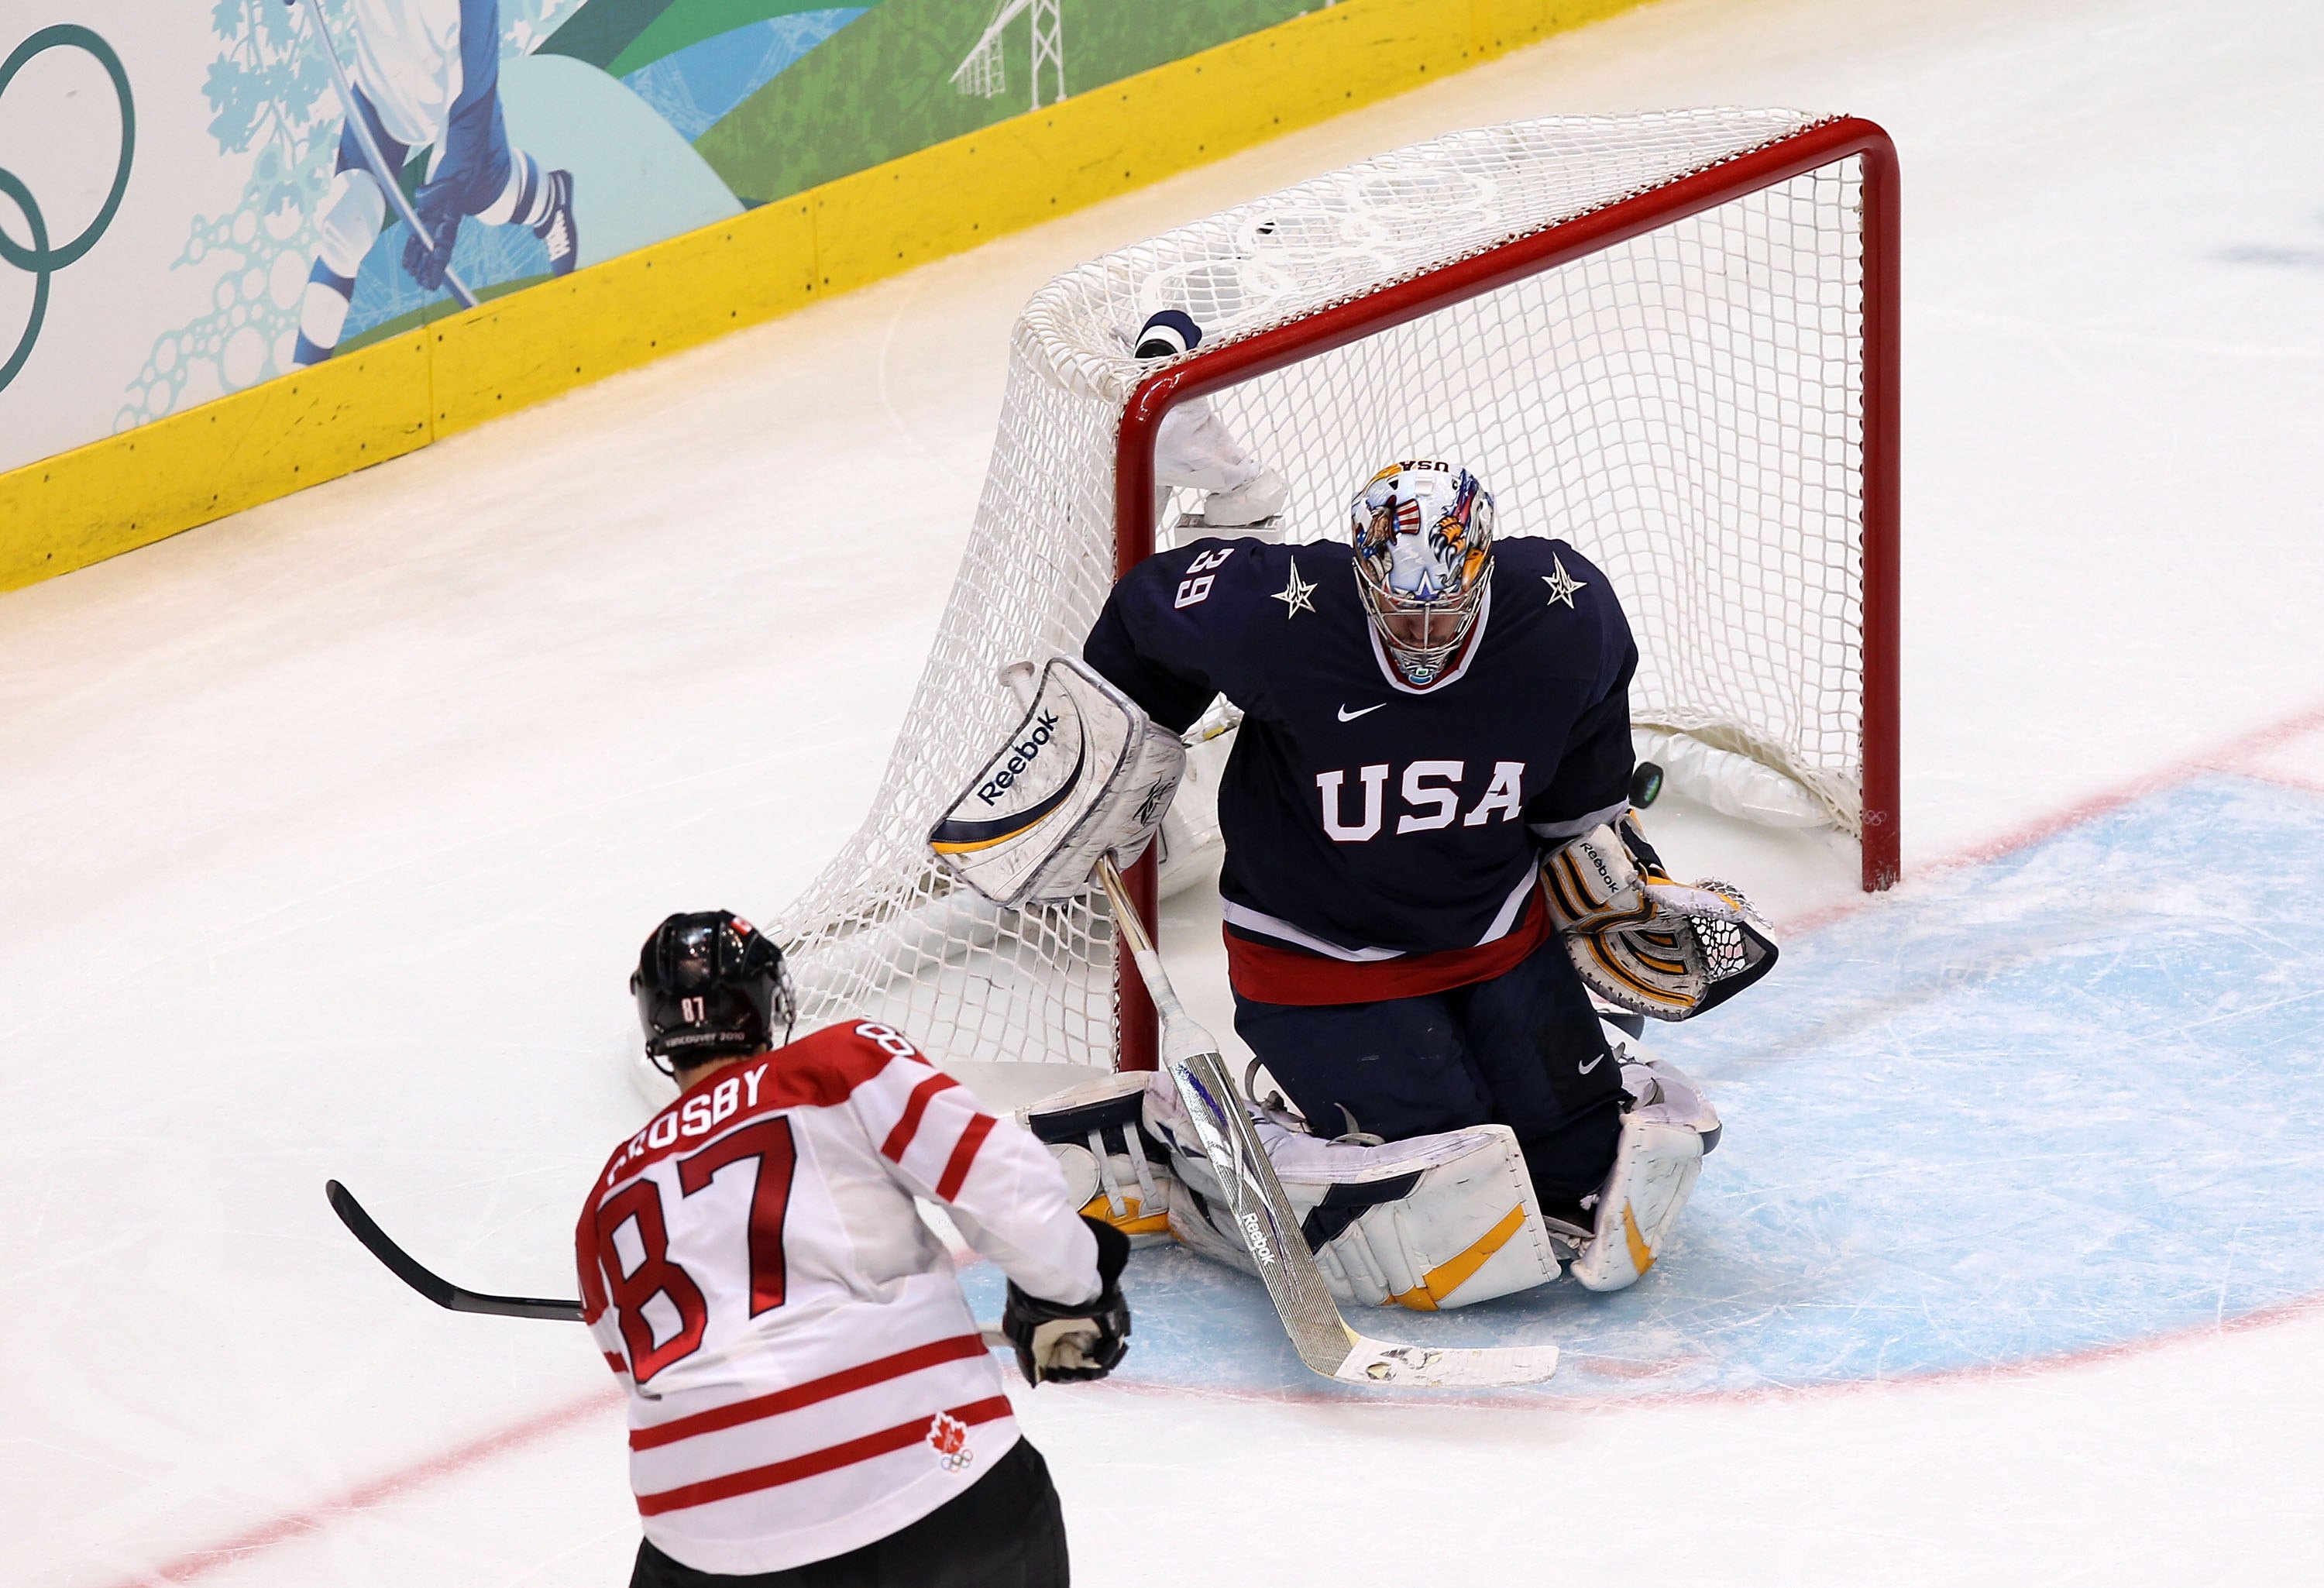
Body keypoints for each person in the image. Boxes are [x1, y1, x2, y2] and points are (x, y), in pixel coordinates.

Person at [1047, 459, 1765, 1303]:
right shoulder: (1279, 612)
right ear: (1361, 578)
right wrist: (1116, 742)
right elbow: (1146, 609)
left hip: (1496, 937)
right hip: (1319, 961)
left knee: (1581, 1174)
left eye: (1446, 610)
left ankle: (1561, 1073)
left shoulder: (1564, 615)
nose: (1423, 635)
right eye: (1398, 609)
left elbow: (1581, 775)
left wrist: (1614, 880)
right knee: (1450, 1191)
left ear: (1484, 576)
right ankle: (1179, 1142)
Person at [578, 912, 1129, 1586]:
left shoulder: (606, 1195)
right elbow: (1005, 1190)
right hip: (928, 1486)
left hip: (704, 1544)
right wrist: (1072, 1294)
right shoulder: (835, 1063)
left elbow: (633, 1366)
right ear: (768, 1002)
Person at [290, 0, 579, 366]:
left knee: (491, 201)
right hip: (380, 96)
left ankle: (550, 199)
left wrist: (444, 203)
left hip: (457, 107)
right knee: (345, 228)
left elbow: (473, 100)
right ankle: (304, 377)